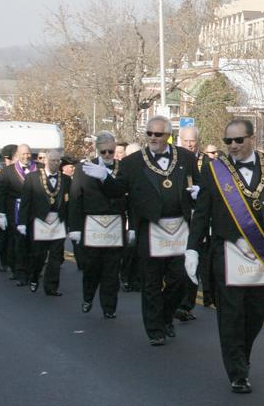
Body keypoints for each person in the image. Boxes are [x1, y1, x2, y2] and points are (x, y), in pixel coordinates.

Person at [187, 118, 264, 394]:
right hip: (227, 251)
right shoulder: (214, 170)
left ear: (252, 139)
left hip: (262, 250)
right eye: (228, 141)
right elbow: (202, 213)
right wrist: (192, 248)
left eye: (238, 140)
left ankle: (241, 354)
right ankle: (238, 371)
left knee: (258, 310)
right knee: (231, 313)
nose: (232, 146)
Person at [86, 116, 197, 346]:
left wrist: (198, 193)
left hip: (179, 227)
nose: (153, 138)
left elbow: (196, 183)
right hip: (151, 227)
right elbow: (117, 190)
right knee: (152, 282)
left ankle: (166, 316)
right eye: (149, 134)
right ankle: (154, 329)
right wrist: (105, 178)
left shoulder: (185, 157)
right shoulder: (132, 162)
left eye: (158, 134)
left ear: (168, 135)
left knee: (181, 279)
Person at [69, 132, 127, 318]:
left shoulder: (123, 168)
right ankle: (88, 297)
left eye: (111, 151)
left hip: (115, 224)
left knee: (112, 269)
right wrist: (75, 227)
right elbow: (76, 199)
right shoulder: (84, 168)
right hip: (92, 224)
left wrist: (132, 226)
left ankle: (109, 307)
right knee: (92, 267)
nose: (108, 155)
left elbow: (130, 195)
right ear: (98, 150)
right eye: (104, 152)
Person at [18, 149, 70, 296]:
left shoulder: (65, 179)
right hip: (40, 221)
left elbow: (69, 202)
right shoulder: (33, 178)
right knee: (38, 255)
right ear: (45, 161)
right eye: (52, 160)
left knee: (55, 256)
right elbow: (25, 202)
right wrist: (22, 222)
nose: (55, 163)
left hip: (58, 222)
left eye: (58, 161)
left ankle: (51, 286)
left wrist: (71, 224)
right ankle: (34, 276)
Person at [175, 126, 207, 322]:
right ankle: (177, 302)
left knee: (195, 261)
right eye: (185, 140)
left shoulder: (208, 162)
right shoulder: (175, 160)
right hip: (179, 219)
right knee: (179, 264)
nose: (189, 144)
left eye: (192, 140)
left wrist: (201, 191)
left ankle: (187, 305)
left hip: (200, 218)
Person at [0, 143, 37, 286]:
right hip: (15, 211)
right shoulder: (8, 171)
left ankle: (32, 272)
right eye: (23, 154)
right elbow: (1, 193)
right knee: (19, 243)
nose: (26, 156)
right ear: (17, 155)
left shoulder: (39, 168)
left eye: (28, 153)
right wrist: (0, 213)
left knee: (33, 243)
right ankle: (20, 273)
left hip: (34, 211)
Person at [118, 141, 142, 292]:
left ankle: (137, 278)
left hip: (140, 213)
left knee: (139, 249)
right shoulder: (123, 167)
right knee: (129, 248)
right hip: (127, 213)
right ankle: (126, 277)